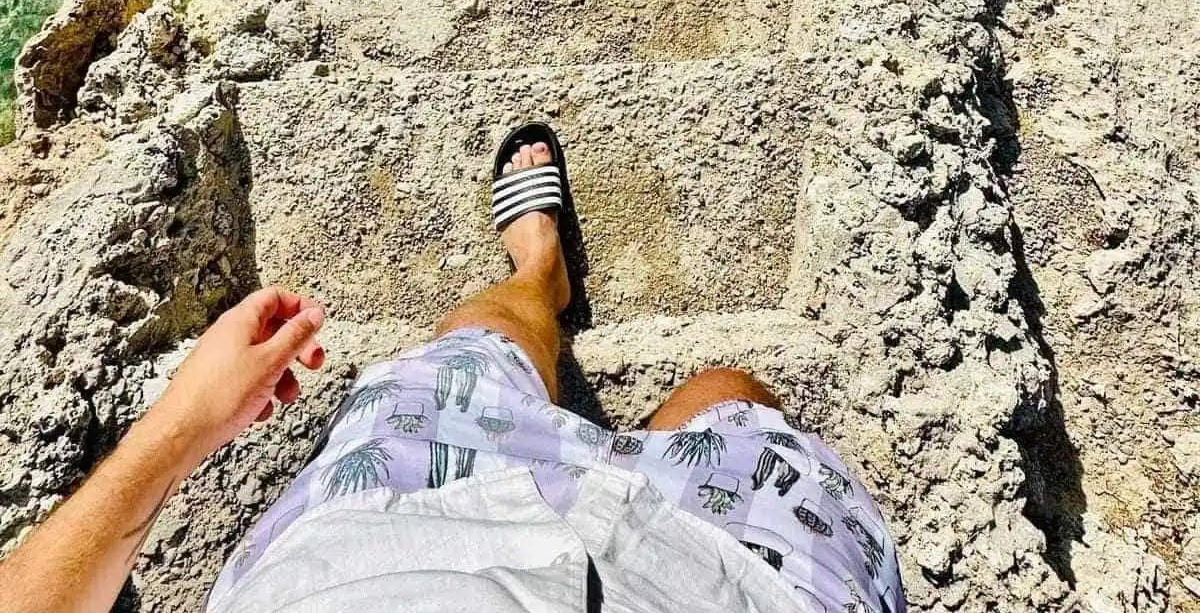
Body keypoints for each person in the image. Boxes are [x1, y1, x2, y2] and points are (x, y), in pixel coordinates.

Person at [0, 123, 906, 613]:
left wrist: (185, 424)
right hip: (721, 588)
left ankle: (537, 275)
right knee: (729, 396)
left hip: (376, 551)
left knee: (475, 346)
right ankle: (541, 284)